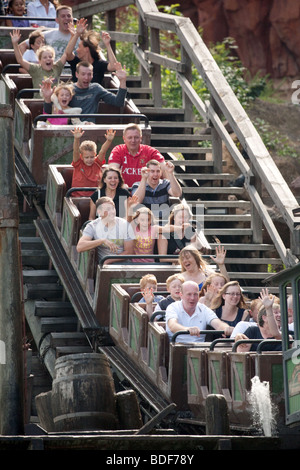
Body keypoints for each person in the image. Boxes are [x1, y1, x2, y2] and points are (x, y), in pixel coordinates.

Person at [10, 22, 84, 94]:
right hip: (39, 103)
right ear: (40, 60)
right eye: (45, 57)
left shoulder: (57, 67)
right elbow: (20, 60)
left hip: (54, 102)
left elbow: (66, 53)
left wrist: (73, 36)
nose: (48, 59)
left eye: (50, 57)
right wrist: (15, 44)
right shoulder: (35, 69)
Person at [165, 280, 233, 343]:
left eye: (195, 294)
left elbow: (217, 323)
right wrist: (187, 329)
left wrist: (226, 328)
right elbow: (172, 325)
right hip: (177, 346)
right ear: (181, 295)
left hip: (199, 348)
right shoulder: (173, 307)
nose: (192, 298)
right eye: (189, 294)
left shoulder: (203, 309)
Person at [76, 196, 135, 265]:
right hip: (104, 268)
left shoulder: (125, 225)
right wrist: (102, 241)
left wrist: (109, 260)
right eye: (107, 209)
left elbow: (129, 252)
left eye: (113, 208)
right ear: (99, 212)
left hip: (123, 265)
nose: (112, 212)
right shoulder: (92, 226)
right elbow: (80, 247)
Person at [108, 123, 165, 187]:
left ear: (141, 138)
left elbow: (165, 171)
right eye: (130, 138)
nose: (133, 140)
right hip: (124, 193)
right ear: (124, 139)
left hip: (146, 193)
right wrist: (121, 186)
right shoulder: (118, 150)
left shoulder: (151, 152)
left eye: (136, 137)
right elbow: (112, 173)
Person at [131, 159, 182, 224]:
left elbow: (177, 194)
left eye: (158, 171)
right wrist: (143, 178)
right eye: (152, 171)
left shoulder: (165, 184)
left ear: (161, 173)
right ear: (147, 172)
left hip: (164, 223)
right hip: (146, 224)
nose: (155, 174)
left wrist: (170, 173)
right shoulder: (137, 185)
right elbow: (137, 201)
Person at [70, 127, 115, 197]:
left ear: (95, 155)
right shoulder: (78, 163)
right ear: (81, 156)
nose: (89, 160)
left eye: (92, 157)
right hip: (77, 196)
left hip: (95, 196)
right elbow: (75, 151)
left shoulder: (97, 163)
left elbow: (103, 151)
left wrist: (109, 140)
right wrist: (76, 139)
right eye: (86, 157)